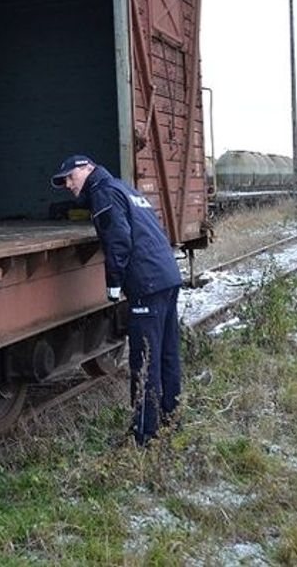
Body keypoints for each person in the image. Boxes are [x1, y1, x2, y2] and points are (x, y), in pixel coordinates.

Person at [50, 154, 182, 445]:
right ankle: (172, 418)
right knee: (167, 352)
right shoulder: (124, 188)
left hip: (147, 282)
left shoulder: (103, 193)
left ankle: (144, 434)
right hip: (167, 276)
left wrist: (114, 283)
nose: (68, 185)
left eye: (71, 177)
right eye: (64, 182)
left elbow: (118, 240)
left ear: (87, 168)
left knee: (145, 358)